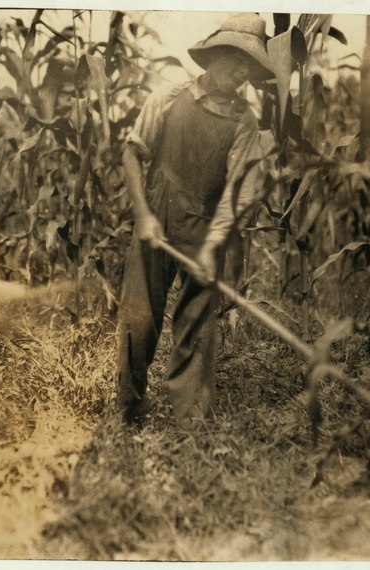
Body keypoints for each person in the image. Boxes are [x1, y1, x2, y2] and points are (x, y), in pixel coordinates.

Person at [117, 13, 273, 424]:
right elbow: (132, 155)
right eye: (238, 61)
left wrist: (211, 247)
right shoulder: (169, 98)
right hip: (156, 215)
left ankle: (189, 421)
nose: (243, 73)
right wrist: (144, 216)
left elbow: (237, 194)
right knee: (139, 318)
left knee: (196, 327)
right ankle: (130, 408)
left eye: (250, 68)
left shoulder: (244, 123)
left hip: (203, 227)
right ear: (217, 54)